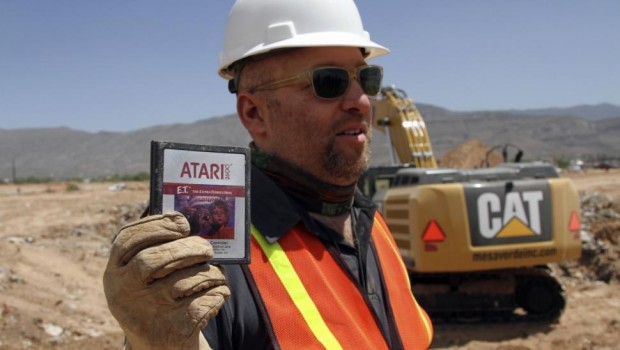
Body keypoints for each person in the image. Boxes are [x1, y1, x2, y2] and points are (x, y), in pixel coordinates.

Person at [103, 0, 434, 349]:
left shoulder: (370, 220)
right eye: (329, 81)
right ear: (254, 112)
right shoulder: (203, 247)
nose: (362, 101)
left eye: (366, 78)